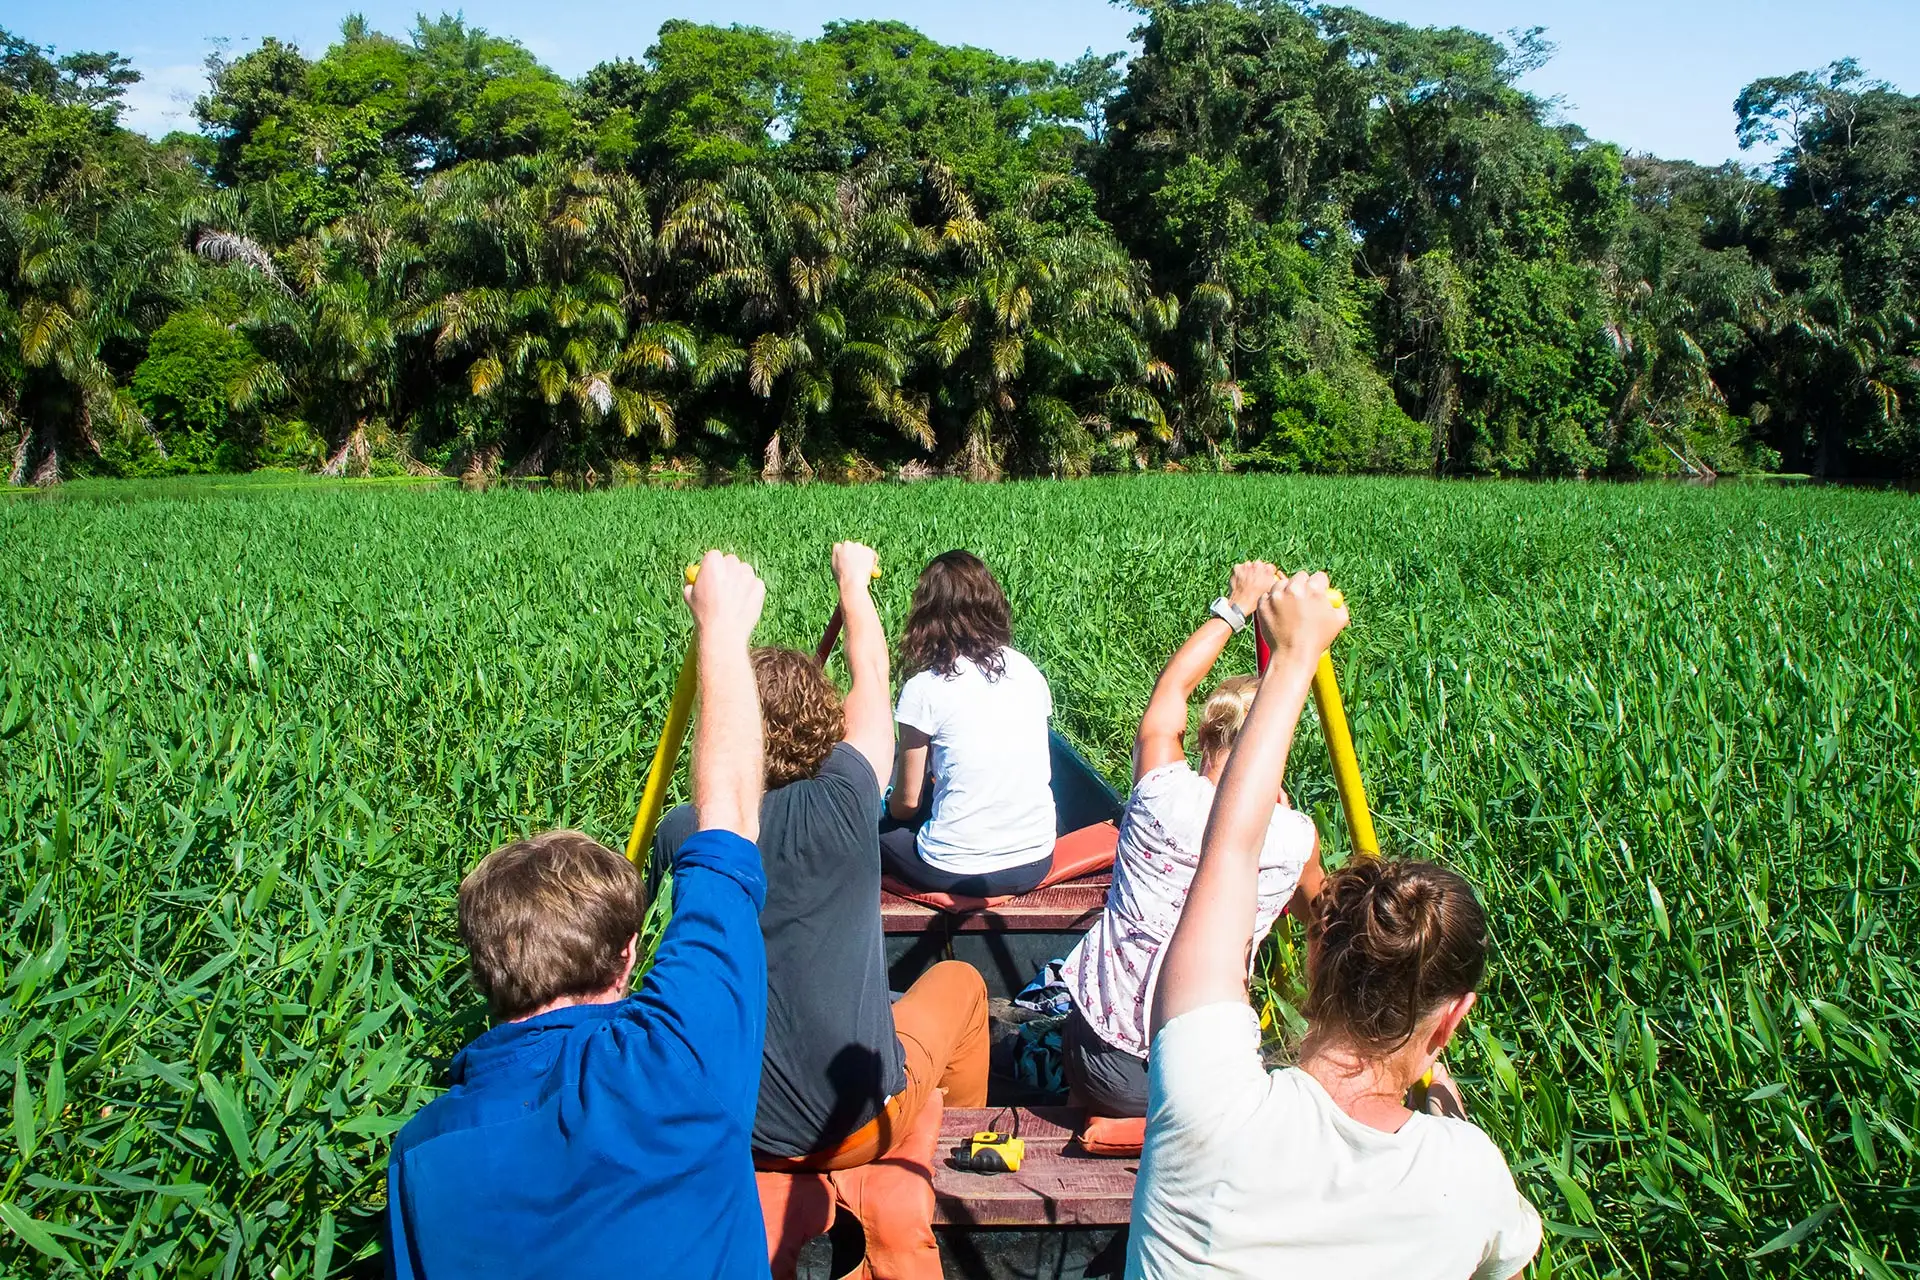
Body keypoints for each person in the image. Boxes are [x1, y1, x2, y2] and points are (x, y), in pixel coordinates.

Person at [1127, 571, 1541, 1280]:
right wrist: (1439, 1088)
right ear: (1453, 1019)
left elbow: (1229, 849)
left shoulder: (1208, 1101)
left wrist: (1292, 660)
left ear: (1319, 964)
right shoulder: (1473, 1181)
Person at [387, 552, 774, 1280]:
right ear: (628, 955)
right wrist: (721, 631)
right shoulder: (675, 1062)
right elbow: (725, 822)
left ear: (485, 972)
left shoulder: (418, 1155)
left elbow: (725, 835)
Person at [654, 542, 988, 1171]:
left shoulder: (685, 833)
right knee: (964, 984)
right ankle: (946, 1155)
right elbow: (872, 673)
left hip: (736, 1129)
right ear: (825, 721)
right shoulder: (848, 794)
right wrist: (853, 583)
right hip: (859, 1127)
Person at [1059, 560, 1324, 1118]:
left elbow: (1172, 690)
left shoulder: (1159, 792)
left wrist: (1237, 605)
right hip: (1203, 1080)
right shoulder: (1294, 839)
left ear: (1203, 735)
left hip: (1106, 1069)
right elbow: (1318, 911)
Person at [883, 550, 1056, 898]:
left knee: (875, 830)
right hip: (1036, 859)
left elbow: (907, 805)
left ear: (926, 615)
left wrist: (884, 804)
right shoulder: (1026, 670)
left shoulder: (924, 688)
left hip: (952, 868)